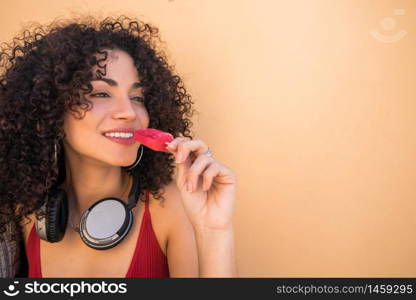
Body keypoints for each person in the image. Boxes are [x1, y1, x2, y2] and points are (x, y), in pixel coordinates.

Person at [0, 15, 237, 278]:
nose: (129, 112)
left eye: (138, 97)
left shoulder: (172, 207)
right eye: (101, 93)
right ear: (52, 109)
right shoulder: (26, 214)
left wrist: (214, 231)